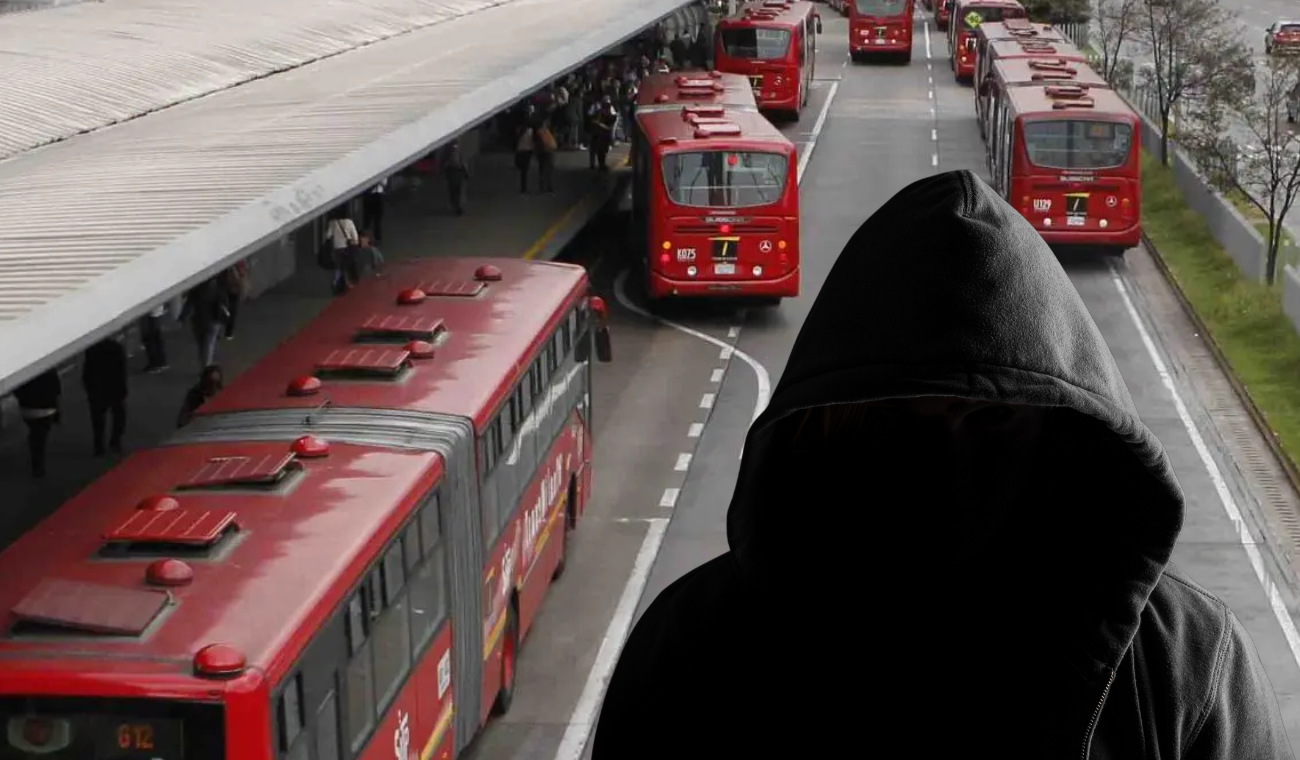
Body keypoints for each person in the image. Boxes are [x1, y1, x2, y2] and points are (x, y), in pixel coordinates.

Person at [591, 170, 1294, 758]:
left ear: (1060, 434)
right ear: (827, 429)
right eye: (898, 418)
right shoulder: (692, 652)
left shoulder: (1186, 670)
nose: (947, 463)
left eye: (991, 419)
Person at [81, 335, 128, 456]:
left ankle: (99, 445)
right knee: (119, 415)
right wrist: (123, 388)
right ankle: (115, 441)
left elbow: (88, 370)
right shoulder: (116, 347)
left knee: (98, 419)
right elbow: (122, 369)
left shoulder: (91, 349)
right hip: (114, 386)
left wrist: (88, 387)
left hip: (97, 388)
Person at [14, 368, 61, 479]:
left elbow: (17, 389)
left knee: (36, 433)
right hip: (46, 408)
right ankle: (38, 464)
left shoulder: (24, 370)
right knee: (41, 435)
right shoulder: (48, 370)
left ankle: (36, 460)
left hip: (27, 408)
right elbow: (57, 389)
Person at [442, 141, 470, 215]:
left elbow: (443, 162)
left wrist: (442, 171)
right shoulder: (458, 150)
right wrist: (466, 173)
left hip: (452, 172)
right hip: (458, 172)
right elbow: (463, 162)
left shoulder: (447, 150)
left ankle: (456, 206)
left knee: (453, 191)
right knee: (458, 191)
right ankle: (458, 206)